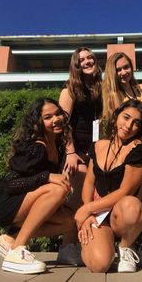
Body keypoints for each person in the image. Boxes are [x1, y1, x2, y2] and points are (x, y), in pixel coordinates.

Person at [0, 98, 76, 274]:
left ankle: (10, 239)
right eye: (47, 117)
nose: (56, 119)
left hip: (23, 201)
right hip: (4, 202)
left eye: (58, 113)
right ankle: (17, 249)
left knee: (68, 221)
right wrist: (47, 176)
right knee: (58, 188)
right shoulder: (36, 146)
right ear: (38, 122)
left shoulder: (57, 144)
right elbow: (11, 185)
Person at [74, 99, 142, 273]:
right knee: (100, 265)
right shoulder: (98, 145)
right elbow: (89, 182)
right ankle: (91, 247)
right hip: (98, 214)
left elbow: (125, 191)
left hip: (120, 212)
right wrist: (87, 212)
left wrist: (87, 208)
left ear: (140, 128)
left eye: (136, 123)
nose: (129, 125)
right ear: (116, 117)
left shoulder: (138, 149)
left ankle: (126, 247)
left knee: (132, 206)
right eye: (126, 117)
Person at [101, 52, 142, 267]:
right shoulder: (112, 95)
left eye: (127, 67)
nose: (124, 72)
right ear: (113, 73)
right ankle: (127, 246)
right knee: (131, 194)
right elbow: (114, 127)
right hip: (125, 151)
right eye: (119, 69)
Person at [57, 47, 102, 264]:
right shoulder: (69, 90)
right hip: (77, 152)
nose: (87, 61)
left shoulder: (102, 88)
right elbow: (62, 124)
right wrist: (70, 152)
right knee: (78, 199)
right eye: (82, 59)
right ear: (76, 65)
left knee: (93, 200)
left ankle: (84, 245)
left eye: (90, 57)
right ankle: (67, 246)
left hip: (97, 152)